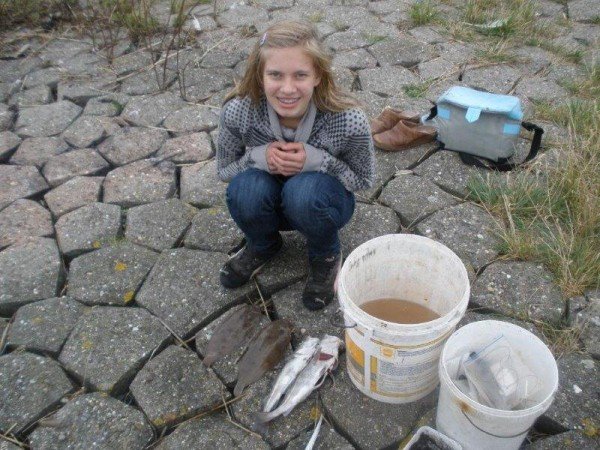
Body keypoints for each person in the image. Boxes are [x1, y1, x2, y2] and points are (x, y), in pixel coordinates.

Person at [216, 20, 375, 311]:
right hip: (269, 201)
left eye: (300, 75)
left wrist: (318, 161)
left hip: (319, 201)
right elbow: (224, 171)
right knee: (244, 188)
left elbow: (363, 180)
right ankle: (263, 244)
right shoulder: (238, 112)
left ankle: (326, 254)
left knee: (304, 191)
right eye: (275, 75)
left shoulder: (348, 119)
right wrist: (258, 157)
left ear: (317, 76)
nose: (287, 89)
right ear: (260, 76)